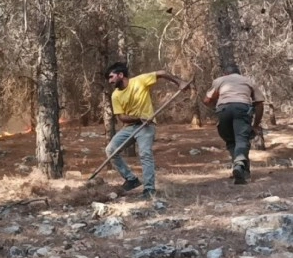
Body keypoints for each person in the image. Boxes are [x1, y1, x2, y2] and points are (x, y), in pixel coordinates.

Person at [105, 62, 189, 199]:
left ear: (121, 75)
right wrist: (139, 117)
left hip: (146, 127)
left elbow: (161, 73)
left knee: (145, 154)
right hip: (130, 127)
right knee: (110, 150)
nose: (110, 81)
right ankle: (131, 179)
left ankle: (149, 190)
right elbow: (122, 117)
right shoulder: (115, 95)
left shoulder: (139, 81)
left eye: (111, 77)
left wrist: (180, 82)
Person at [203, 65, 264, 184]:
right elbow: (259, 103)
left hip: (223, 110)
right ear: (239, 73)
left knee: (231, 141)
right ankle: (240, 165)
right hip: (242, 109)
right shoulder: (248, 81)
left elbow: (206, 100)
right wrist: (256, 124)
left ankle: (241, 169)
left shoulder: (219, 80)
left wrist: (217, 108)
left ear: (226, 74)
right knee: (242, 139)